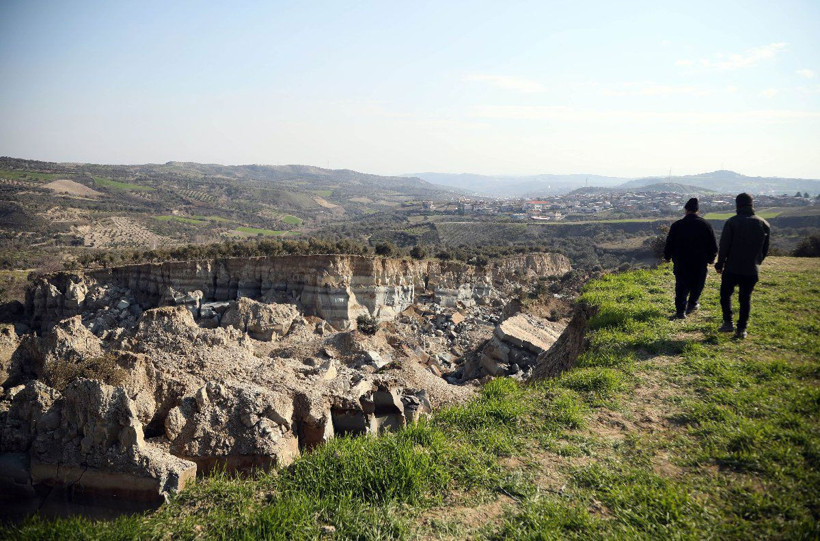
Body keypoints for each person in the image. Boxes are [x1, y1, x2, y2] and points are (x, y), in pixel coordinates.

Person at [715, 193, 770, 339]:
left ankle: (728, 322)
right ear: (752, 204)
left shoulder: (732, 222)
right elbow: (765, 249)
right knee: (745, 299)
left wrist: (720, 264)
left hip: (732, 267)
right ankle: (741, 329)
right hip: (751, 269)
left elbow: (724, 245)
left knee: (725, 295)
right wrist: (757, 262)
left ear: (737, 205)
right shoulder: (763, 223)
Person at [663, 198, 718, 319]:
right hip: (699, 261)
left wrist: (667, 257)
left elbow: (669, 243)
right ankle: (692, 303)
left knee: (681, 286)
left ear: (686, 210)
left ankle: (680, 311)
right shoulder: (705, 224)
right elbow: (713, 245)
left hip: (681, 261)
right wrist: (711, 258)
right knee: (698, 284)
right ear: (697, 210)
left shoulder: (677, 225)